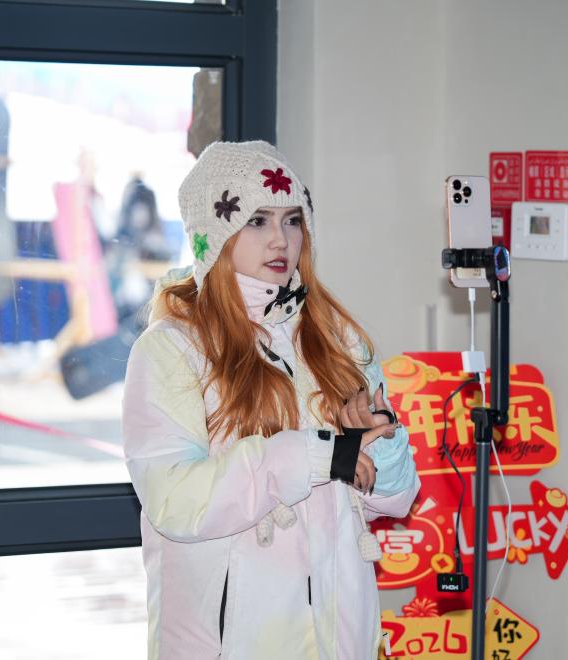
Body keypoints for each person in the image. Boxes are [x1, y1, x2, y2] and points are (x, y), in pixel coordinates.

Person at [122, 141, 420, 659]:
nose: (281, 239)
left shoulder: (337, 338)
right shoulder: (171, 349)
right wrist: (310, 456)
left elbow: (396, 499)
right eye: (257, 220)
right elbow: (174, 501)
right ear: (215, 236)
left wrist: (376, 439)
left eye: (292, 220)